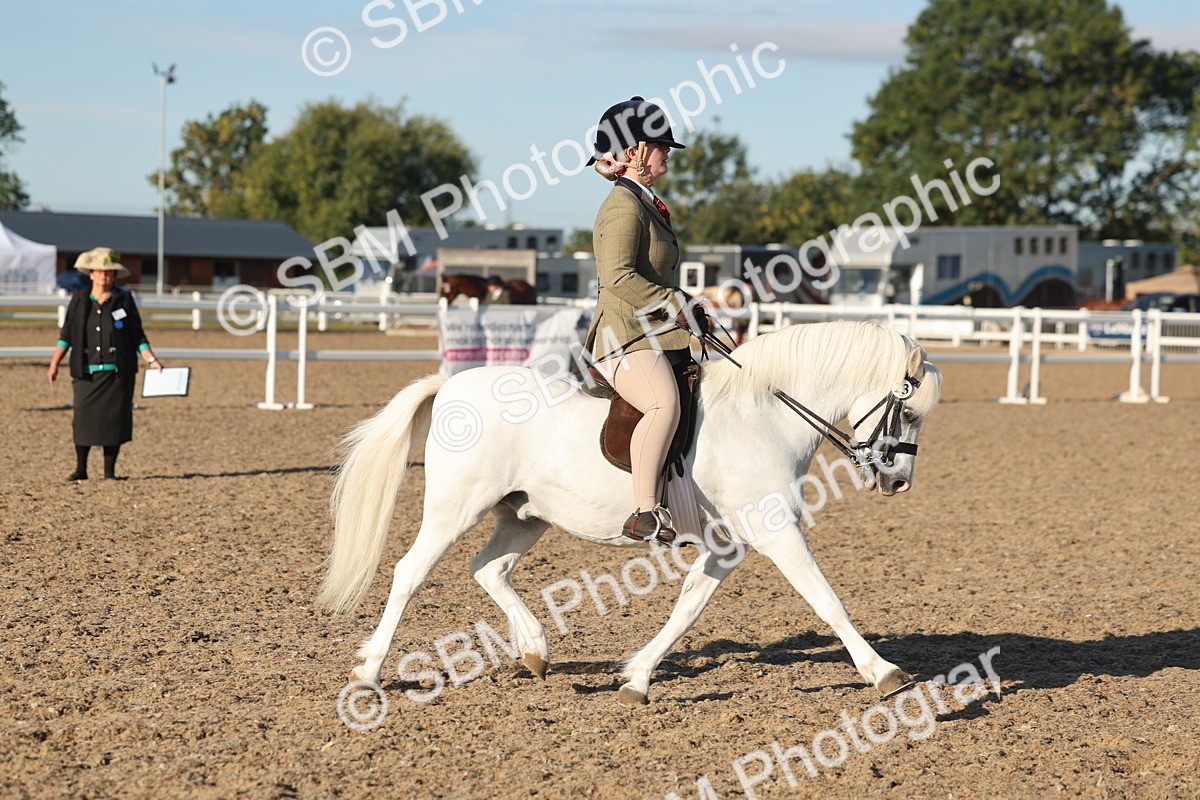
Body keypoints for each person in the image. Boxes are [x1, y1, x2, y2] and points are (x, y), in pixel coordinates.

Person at [582, 96, 708, 544]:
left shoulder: (644, 202)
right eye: (659, 145)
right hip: (624, 337)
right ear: (634, 151)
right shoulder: (623, 206)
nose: (667, 150)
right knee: (663, 404)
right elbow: (618, 277)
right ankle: (644, 511)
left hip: (656, 334)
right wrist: (676, 304)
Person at [46, 247, 163, 481]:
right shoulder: (79, 300)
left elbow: (137, 336)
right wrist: (54, 362)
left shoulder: (124, 300)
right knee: (83, 420)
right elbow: (66, 334)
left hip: (118, 374)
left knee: (114, 422)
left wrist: (151, 359)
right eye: (99, 271)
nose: (104, 276)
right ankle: (81, 469)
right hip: (86, 373)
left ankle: (110, 472)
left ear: (115, 275)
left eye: (109, 272)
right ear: (91, 274)